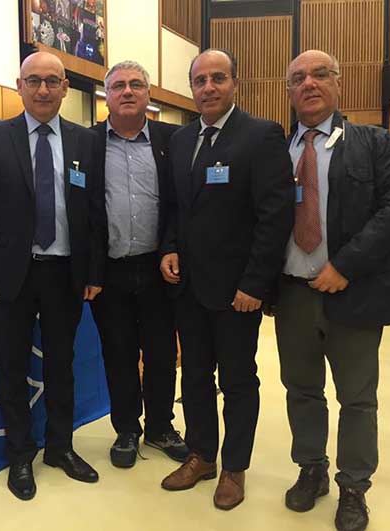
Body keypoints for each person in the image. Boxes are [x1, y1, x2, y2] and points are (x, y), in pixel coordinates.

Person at [275, 50, 390, 531]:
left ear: (338, 83)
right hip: (293, 294)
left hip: (352, 294)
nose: (309, 83)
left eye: (319, 74)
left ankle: (353, 486)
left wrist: (346, 265)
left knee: (357, 397)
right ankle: (310, 469)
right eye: (298, 78)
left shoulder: (375, 143)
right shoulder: (277, 150)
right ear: (288, 90)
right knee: (300, 389)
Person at [0, 51, 106, 501]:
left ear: (66, 87)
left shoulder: (85, 141)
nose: (43, 89)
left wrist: (93, 270)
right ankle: (20, 456)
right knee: (10, 366)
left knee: (62, 365)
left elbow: (94, 214)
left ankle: (60, 449)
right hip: (11, 275)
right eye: (34, 81)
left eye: (52, 81)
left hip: (66, 273)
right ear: (19, 85)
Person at [158, 49, 294, 510]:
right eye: (200, 80)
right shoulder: (180, 141)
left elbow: (274, 217)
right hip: (189, 288)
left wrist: (255, 284)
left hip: (238, 292)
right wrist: (171, 247)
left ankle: (234, 466)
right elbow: (177, 206)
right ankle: (201, 455)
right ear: (191, 87)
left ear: (236, 83)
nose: (209, 87)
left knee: (237, 380)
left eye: (218, 78)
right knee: (194, 375)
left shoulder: (260, 136)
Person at [90, 60, 187, 469]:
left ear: (149, 94)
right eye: (118, 86)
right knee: (119, 353)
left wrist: (173, 245)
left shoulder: (174, 140)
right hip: (108, 270)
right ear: (106, 95)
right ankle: (127, 428)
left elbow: (185, 203)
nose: (127, 91)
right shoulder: (87, 142)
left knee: (163, 352)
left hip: (158, 267)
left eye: (136, 85)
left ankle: (161, 426)